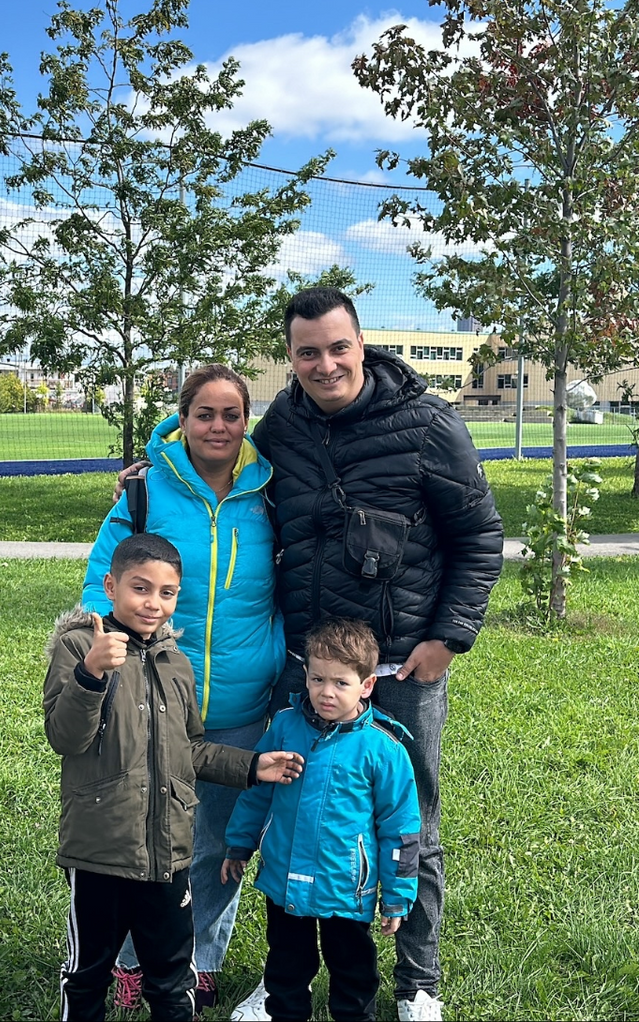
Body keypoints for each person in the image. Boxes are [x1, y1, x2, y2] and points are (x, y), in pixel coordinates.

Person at [237, 285, 505, 1022]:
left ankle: (418, 980)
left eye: (337, 347)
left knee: (410, 818)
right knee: (291, 809)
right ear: (289, 358)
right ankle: (283, 976)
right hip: (309, 668)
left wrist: (448, 638)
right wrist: (146, 481)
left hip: (401, 667)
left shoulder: (428, 424)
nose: (325, 365)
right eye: (307, 352)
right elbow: (220, 468)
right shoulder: (281, 425)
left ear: (363, 343)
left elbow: (480, 539)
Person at [81, 365, 285, 1014]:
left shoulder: (273, 492)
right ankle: (136, 959)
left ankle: (198, 958)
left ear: (245, 421)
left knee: (221, 847)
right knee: (146, 843)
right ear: (183, 417)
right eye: (205, 413)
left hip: (242, 704)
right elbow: (101, 578)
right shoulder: (146, 492)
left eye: (231, 414)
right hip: (152, 700)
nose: (218, 426)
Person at [44, 533, 305, 1022]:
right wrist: (91, 674)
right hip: (101, 847)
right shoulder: (79, 647)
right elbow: (65, 737)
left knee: (172, 977)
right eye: (140, 588)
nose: (153, 603)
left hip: (168, 849)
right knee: (86, 974)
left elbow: (191, 750)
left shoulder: (176, 663)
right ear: (111, 584)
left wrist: (252, 766)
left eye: (167, 593)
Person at [222, 617, 420, 1022]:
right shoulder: (284, 726)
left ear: (365, 685)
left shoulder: (384, 748)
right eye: (317, 679)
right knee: (286, 970)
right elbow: (257, 791)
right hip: (284, 881)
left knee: (353, 976)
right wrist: (239, 843)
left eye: (340, 683)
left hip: (345, 889)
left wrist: (398, 895)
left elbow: (400, 830)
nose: (325, 693)